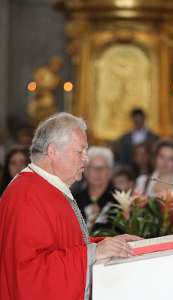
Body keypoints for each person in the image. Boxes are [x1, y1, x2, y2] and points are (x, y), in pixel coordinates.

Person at [0, 112, 140, 300]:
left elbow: (64, 242)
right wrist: (94, 253)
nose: (86, 159)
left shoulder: (46, 186)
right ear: (52, 151)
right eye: (80, 151)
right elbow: (29, 274)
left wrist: (108, 244)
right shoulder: (27, 195)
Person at [74, 146, 114, 231]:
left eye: (102, 168)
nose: (98, 173)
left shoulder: (120, 201)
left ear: (110, 172)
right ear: (85, 171)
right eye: (94, 168)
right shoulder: (75, 199)